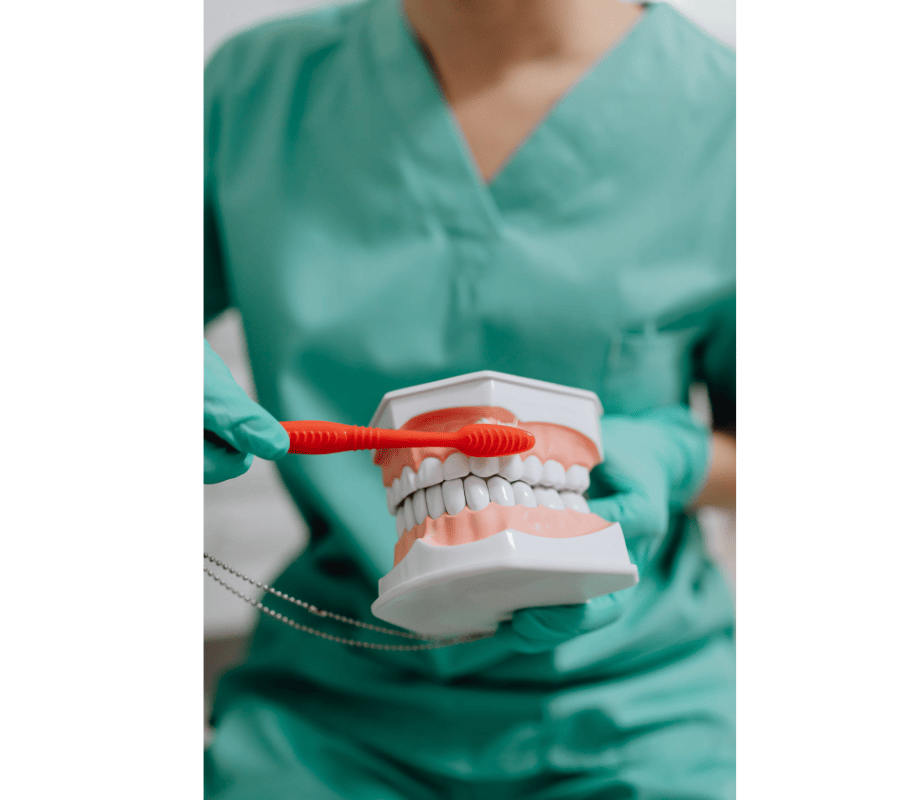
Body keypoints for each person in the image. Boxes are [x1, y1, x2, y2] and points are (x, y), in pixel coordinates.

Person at [203, 0, 736, 797]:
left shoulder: (733, 123)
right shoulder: (254, 90)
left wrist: (679, 457)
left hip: (640, 703)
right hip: (329, 700)